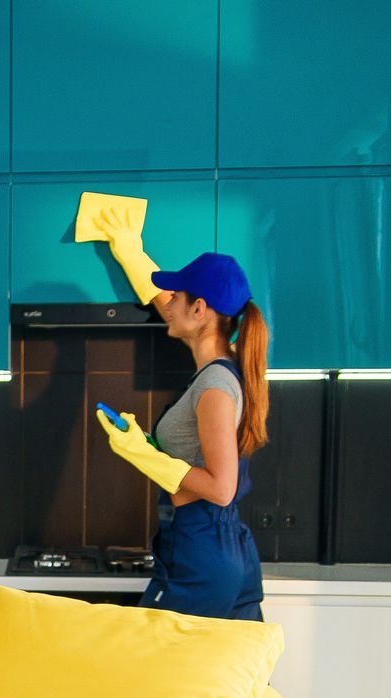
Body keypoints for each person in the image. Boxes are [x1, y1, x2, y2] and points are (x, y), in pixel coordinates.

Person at [90, 207, 271, 621]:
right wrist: (127, 248)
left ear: (199, 309)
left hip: (203, 550)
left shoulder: (214, 388)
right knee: (230, 683)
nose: (167, 304)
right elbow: (163, 300)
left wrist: (142, 454)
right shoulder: (222, 372)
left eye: (178, 297)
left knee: (153, 667)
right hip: (224, 548)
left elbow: (221, 487)